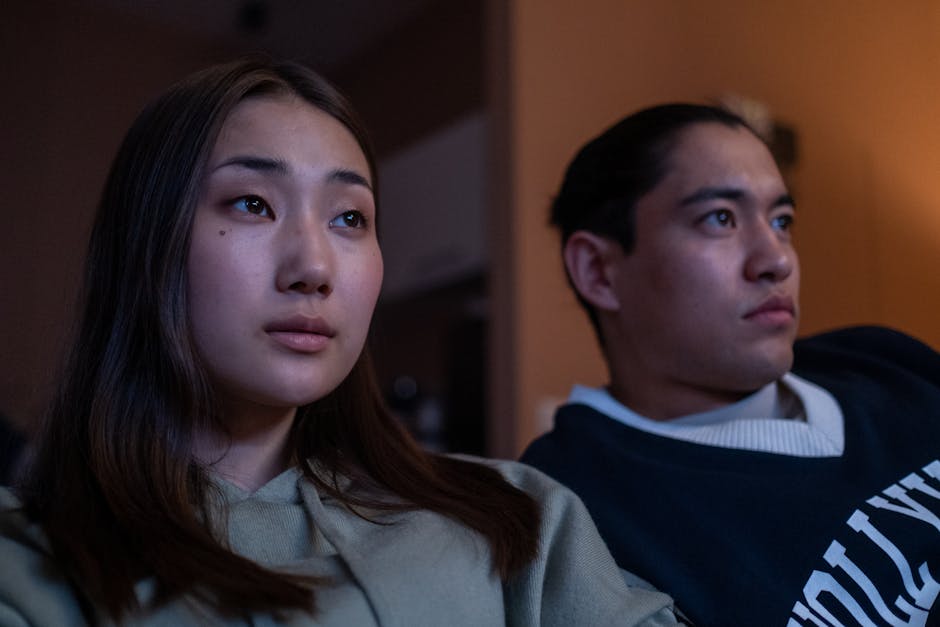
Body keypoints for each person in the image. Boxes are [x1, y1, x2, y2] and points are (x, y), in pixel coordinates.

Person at [0, 59, 682, 626]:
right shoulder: (27, 564)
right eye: (252, 203)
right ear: (145, 242)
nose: (315, 268)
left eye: (350, 217)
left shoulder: (518, 514)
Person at [520, 103, 940, 626]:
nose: (777, 259)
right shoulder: (566, 515)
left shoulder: (882, 359)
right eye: (720, 218)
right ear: (600, 271)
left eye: (781, 220)